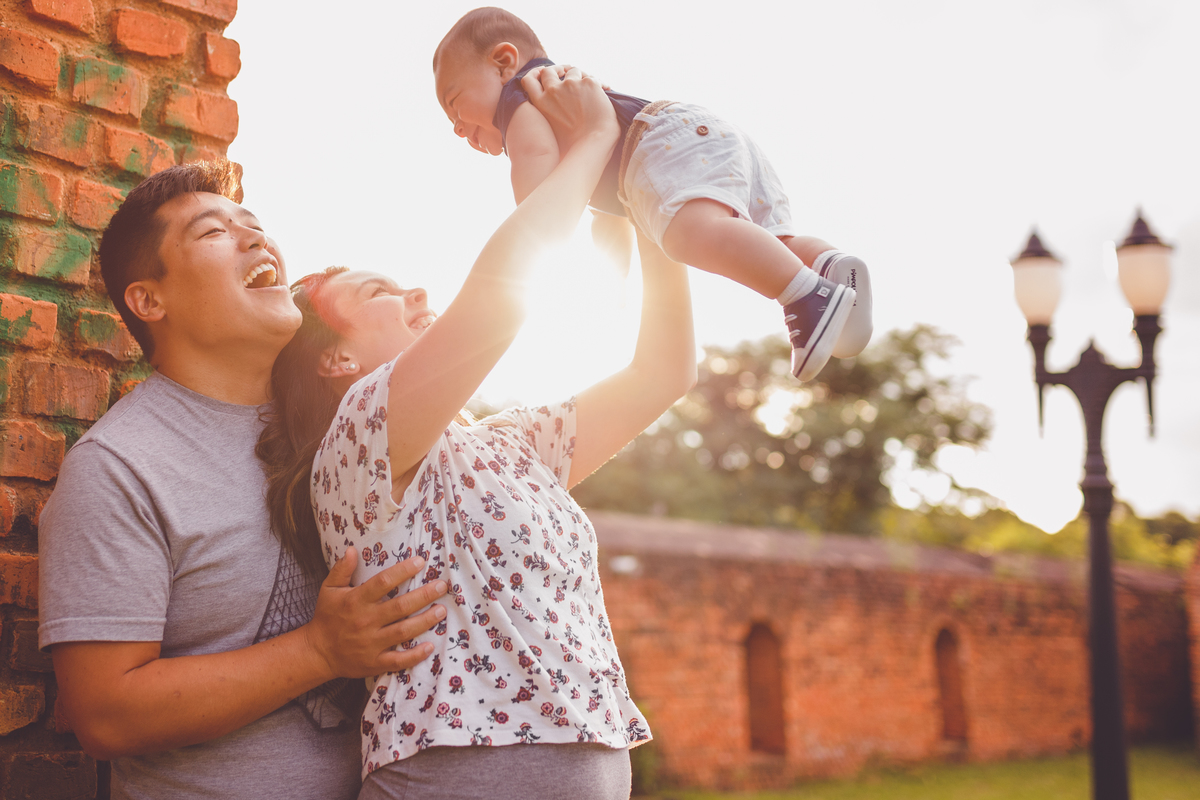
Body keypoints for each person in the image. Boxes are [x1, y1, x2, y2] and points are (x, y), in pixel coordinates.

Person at [37, 67, 605, 800]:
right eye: (215, 233)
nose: (252, 236)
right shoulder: (120, 466)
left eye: (253, 225)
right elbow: (105, 714)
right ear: (149, 299)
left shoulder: (347, 423)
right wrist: (318, 651)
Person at [257, 66, 695, 798]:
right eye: (378, 293)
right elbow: (498, 304)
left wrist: (644, 199)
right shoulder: (359, 438)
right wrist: (591, 141)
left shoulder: (512, 443)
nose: (414, 292)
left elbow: (664, 371)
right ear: (334, 358)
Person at [432, 6, 874, 382]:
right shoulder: (566, 102)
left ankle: (807, 297)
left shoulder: (522, 99)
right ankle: (829, 268)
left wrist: (533, 231)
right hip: (694, 137)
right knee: (763, 243)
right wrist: (614, 279)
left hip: (660, 146)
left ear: (504, 62)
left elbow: (536, 175)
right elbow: (610, 216)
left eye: (454, 103)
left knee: (687, 237)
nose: (455, 128)